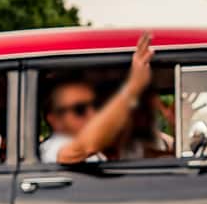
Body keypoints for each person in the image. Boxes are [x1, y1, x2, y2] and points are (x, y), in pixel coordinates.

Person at [40, 32, 153, 164]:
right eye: (80, 109)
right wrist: (132, 88)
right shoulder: (54, 147)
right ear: (54, 120)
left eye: (96, 105)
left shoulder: (105, 149)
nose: (92, 113)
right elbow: (84, 148)